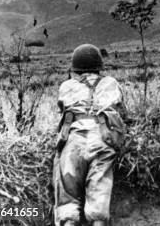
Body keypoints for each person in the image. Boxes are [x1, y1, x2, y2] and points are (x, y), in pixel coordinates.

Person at [53, 44, 127, 226]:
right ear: (99, 67)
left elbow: (62, 108)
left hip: (74, 140)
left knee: (67, 193)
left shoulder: (67, 85)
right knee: (100, 188)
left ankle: (69, 220)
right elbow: (122, 112)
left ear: (75, 69)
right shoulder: (111, 83)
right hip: (103, 139)